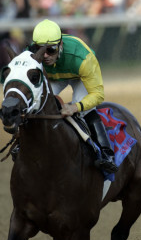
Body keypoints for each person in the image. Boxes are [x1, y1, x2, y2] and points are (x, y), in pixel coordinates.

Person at [28, 19, 117, 173]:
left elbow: (98, 94)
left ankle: (106, 152)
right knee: (35, 104)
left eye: (51, 49)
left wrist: (75, 106)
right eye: (40, 50)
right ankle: (21, 144)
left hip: (78, 75)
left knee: (83, 110)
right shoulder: (30, 53)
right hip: (54, 78)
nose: (46, 56)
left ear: (60, 44)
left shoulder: (84, 58)